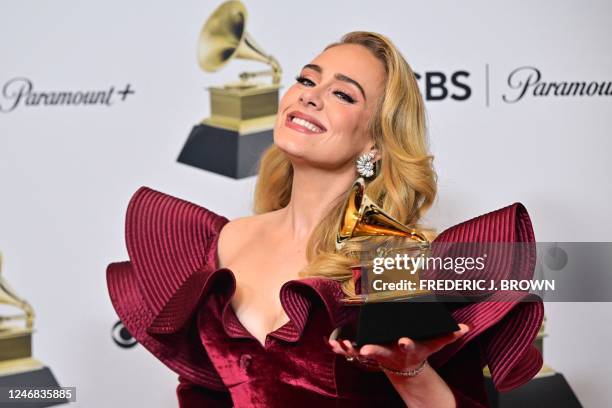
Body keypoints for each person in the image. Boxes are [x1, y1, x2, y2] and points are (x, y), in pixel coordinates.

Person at [106, 31, 544, 407]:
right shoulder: (219, 242)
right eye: (306, 79)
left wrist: (410, 372)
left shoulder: (395, 260)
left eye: (342, 94)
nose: (309, 95)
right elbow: (202, 394)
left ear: (375, 142)